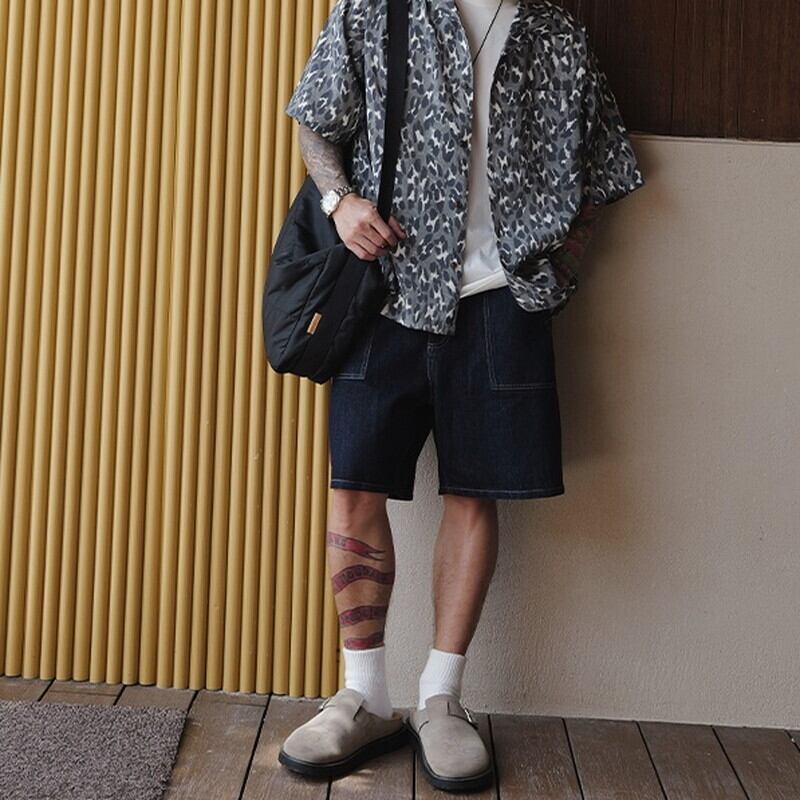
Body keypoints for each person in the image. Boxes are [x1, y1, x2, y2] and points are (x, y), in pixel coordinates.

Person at [276, 0, 645, 791]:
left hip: (501, 303)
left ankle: (442, 698)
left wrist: (558, 269)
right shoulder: (377, 9)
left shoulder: (556, 33)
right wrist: (341, 205)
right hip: (383, 292)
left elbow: (605, 168)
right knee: (354, 488)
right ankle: (362, 695)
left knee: (475, 494)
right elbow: (315, 119)